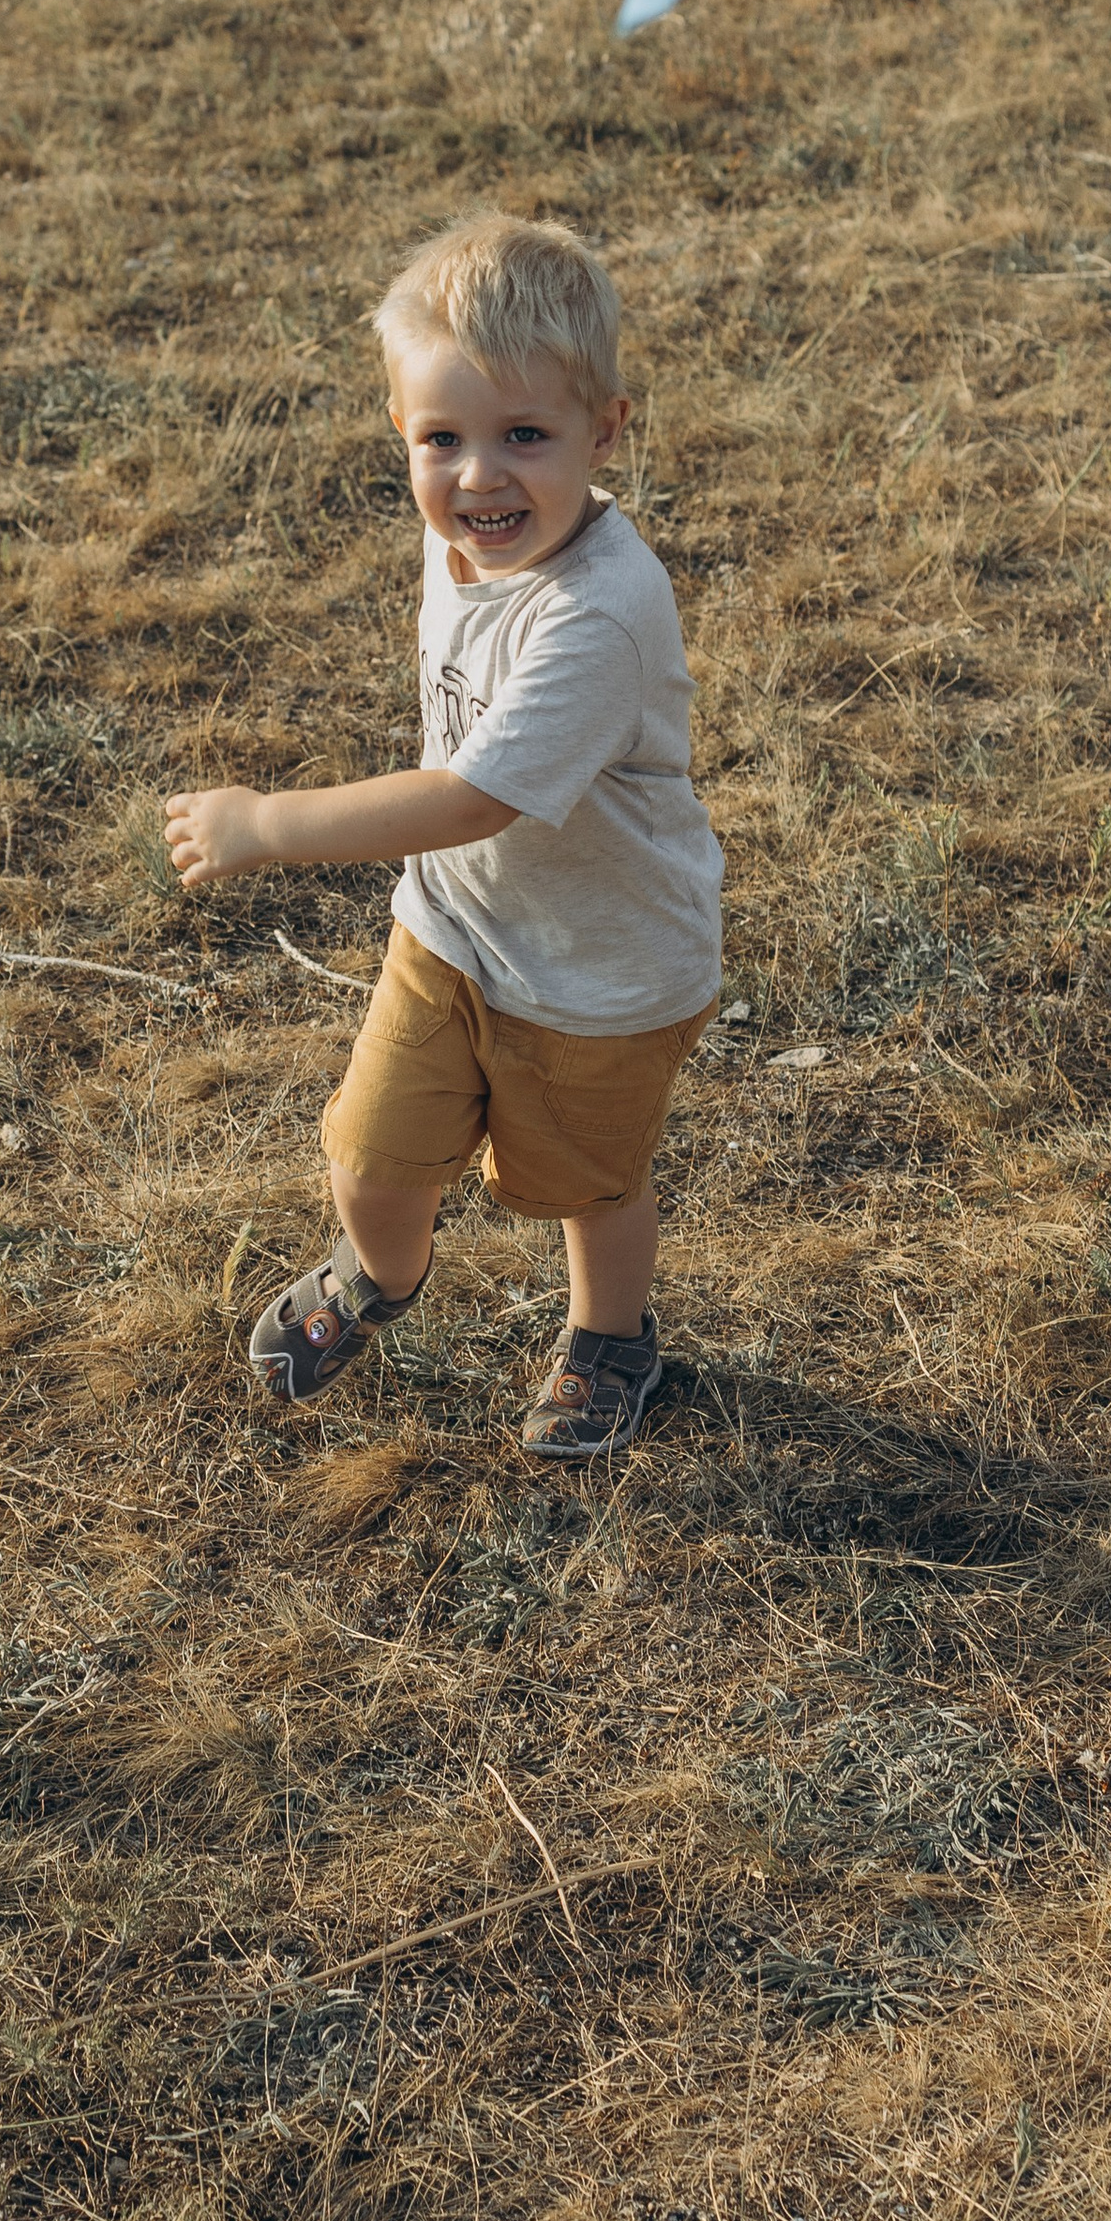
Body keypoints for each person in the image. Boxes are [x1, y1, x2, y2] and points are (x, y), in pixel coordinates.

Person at [165, 212, 722, 1463]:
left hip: (604, 969)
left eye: (525, 436)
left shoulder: (599, 616)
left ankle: (609, 1338)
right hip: (456, 928)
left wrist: (268, 824)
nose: (478, 477)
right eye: (442, 440)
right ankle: (378, 1274)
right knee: (369, 1153)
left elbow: (475, 796)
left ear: (606, 431)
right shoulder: (466, 531)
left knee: (589, 1185)